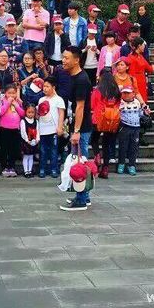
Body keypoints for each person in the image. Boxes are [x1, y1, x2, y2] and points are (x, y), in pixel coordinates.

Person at [60, 47, 94, 211]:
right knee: (78, 161)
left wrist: (77, 131)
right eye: (63, 57)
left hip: (82, 127)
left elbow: (80, 107)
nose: (63, 60)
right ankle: (84, 196)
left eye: (67, 58)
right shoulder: (73, 76)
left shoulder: (81, 79)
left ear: (76, 60)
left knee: (80, 164)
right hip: (77, 125)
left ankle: (81, 200)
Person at [91, 69, 121, 178]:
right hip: (112, 118)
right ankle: (105, 169)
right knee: (106, 144)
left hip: (98, 117)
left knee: (94, 139)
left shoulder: (98, 90)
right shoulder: (116, 90)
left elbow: (92, 105)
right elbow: (118, 104)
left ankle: (97, 156)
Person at [37, 76, 65, 178]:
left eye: (47, 86)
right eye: (44, 86)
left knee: (54, 150)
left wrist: (60, 127)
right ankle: (42, 169)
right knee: (43, 150)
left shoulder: (58, 99)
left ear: (53, 87)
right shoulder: (41, 99)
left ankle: (54, 169)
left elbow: (61, 114)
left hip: (53, 129)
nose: (45, 88)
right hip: (43, 129)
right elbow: (38, 115)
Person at [118, 85, 146, 176]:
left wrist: (145, 112)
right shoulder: (120, 102)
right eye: (124, 93)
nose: (126, 95)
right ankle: (121, 163)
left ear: (133, 94)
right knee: (123, 147)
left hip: (136, 128)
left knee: (134, 147)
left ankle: (132, 165)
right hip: (124, 127)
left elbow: (140, 114)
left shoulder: (137, 102)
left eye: (128, 93)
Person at [0, 84, 25, 177]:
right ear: (5, 93)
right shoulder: (2, 101)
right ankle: (4, 167)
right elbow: (0, 112)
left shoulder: (18, 102)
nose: (11, 95)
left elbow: (23, 114)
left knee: (14, 148)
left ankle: (12, 166)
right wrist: (8, 103)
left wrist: (17, 106)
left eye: (13, 93)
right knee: (4, 148)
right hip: (4, 128)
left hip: (15, 128)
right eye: (9, 93)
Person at [20, 105, 39, 177]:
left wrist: (37, 139)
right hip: (26, 142)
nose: (30, 114)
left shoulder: (36, 121)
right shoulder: (23, 121)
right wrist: (27, 140)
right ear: (26, 112)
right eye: (29, 112)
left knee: (31, 156)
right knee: (26, 156)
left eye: (32, 112)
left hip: (34, 141)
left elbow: (38, 130)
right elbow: (23, 131)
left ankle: (30, 171)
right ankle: (26, 171)